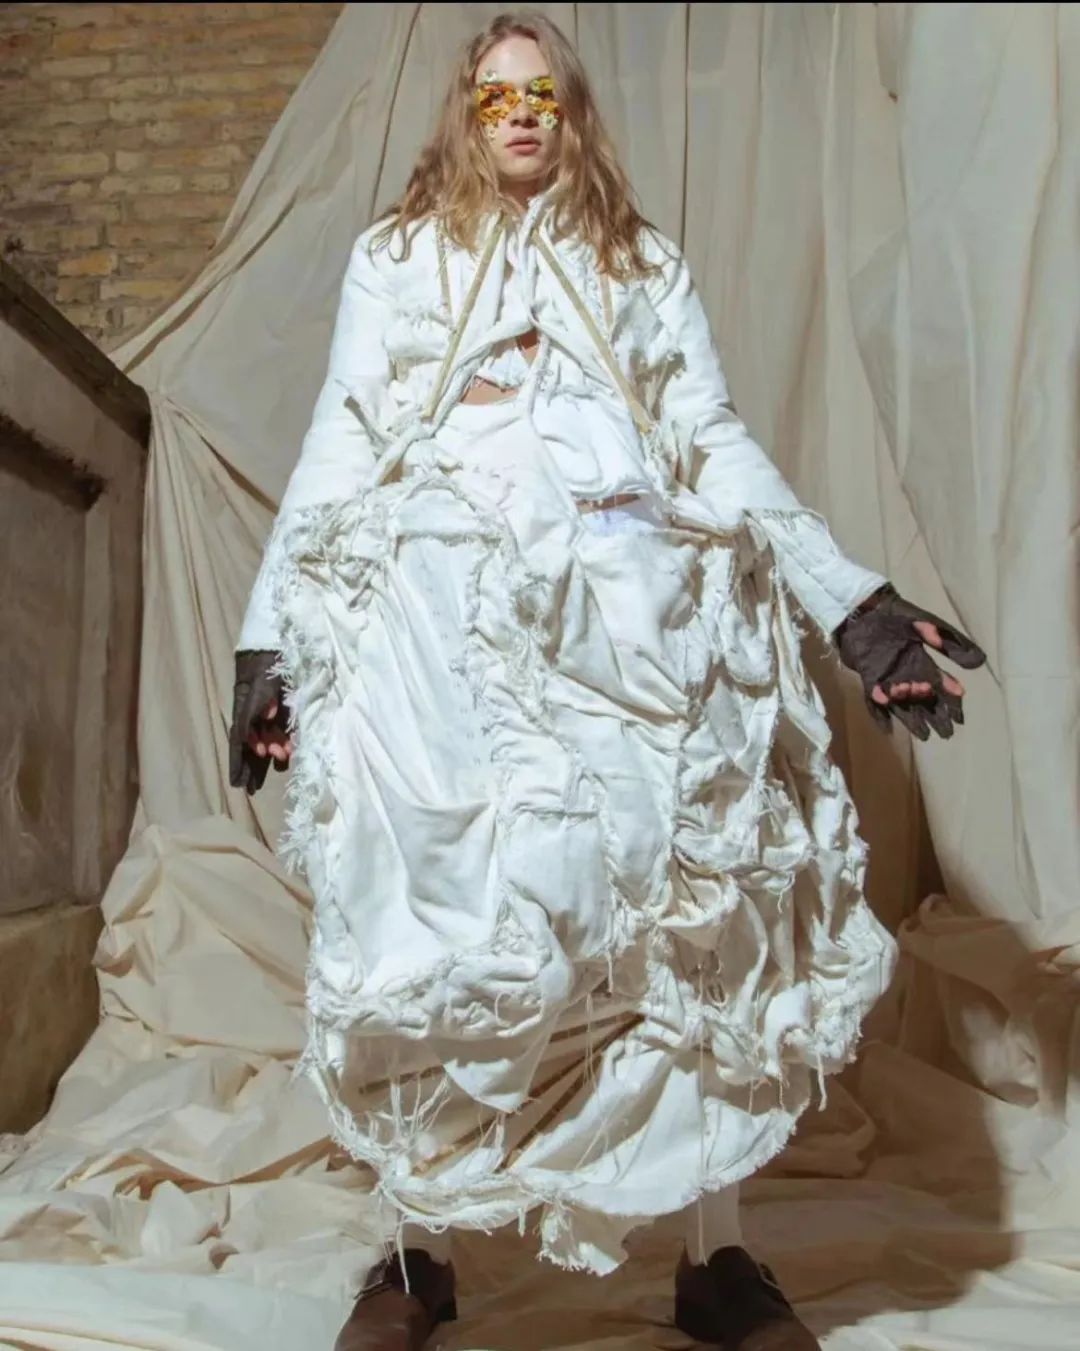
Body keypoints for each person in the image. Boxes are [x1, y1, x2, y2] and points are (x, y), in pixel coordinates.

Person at [229, 12, 985, 1349]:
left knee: (687, 929)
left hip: (633, 617)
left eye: (543, 94)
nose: (520, 114)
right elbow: (340, 442)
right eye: (495, 95)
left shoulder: (642, 261)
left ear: (571, 112)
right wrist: (264, 639)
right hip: (437, 627)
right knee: (424, 923)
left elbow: (708, 437)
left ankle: (717, 1258)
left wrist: (850, 602)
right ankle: (413, 1261)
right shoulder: (396, 257)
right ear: (465, 113)